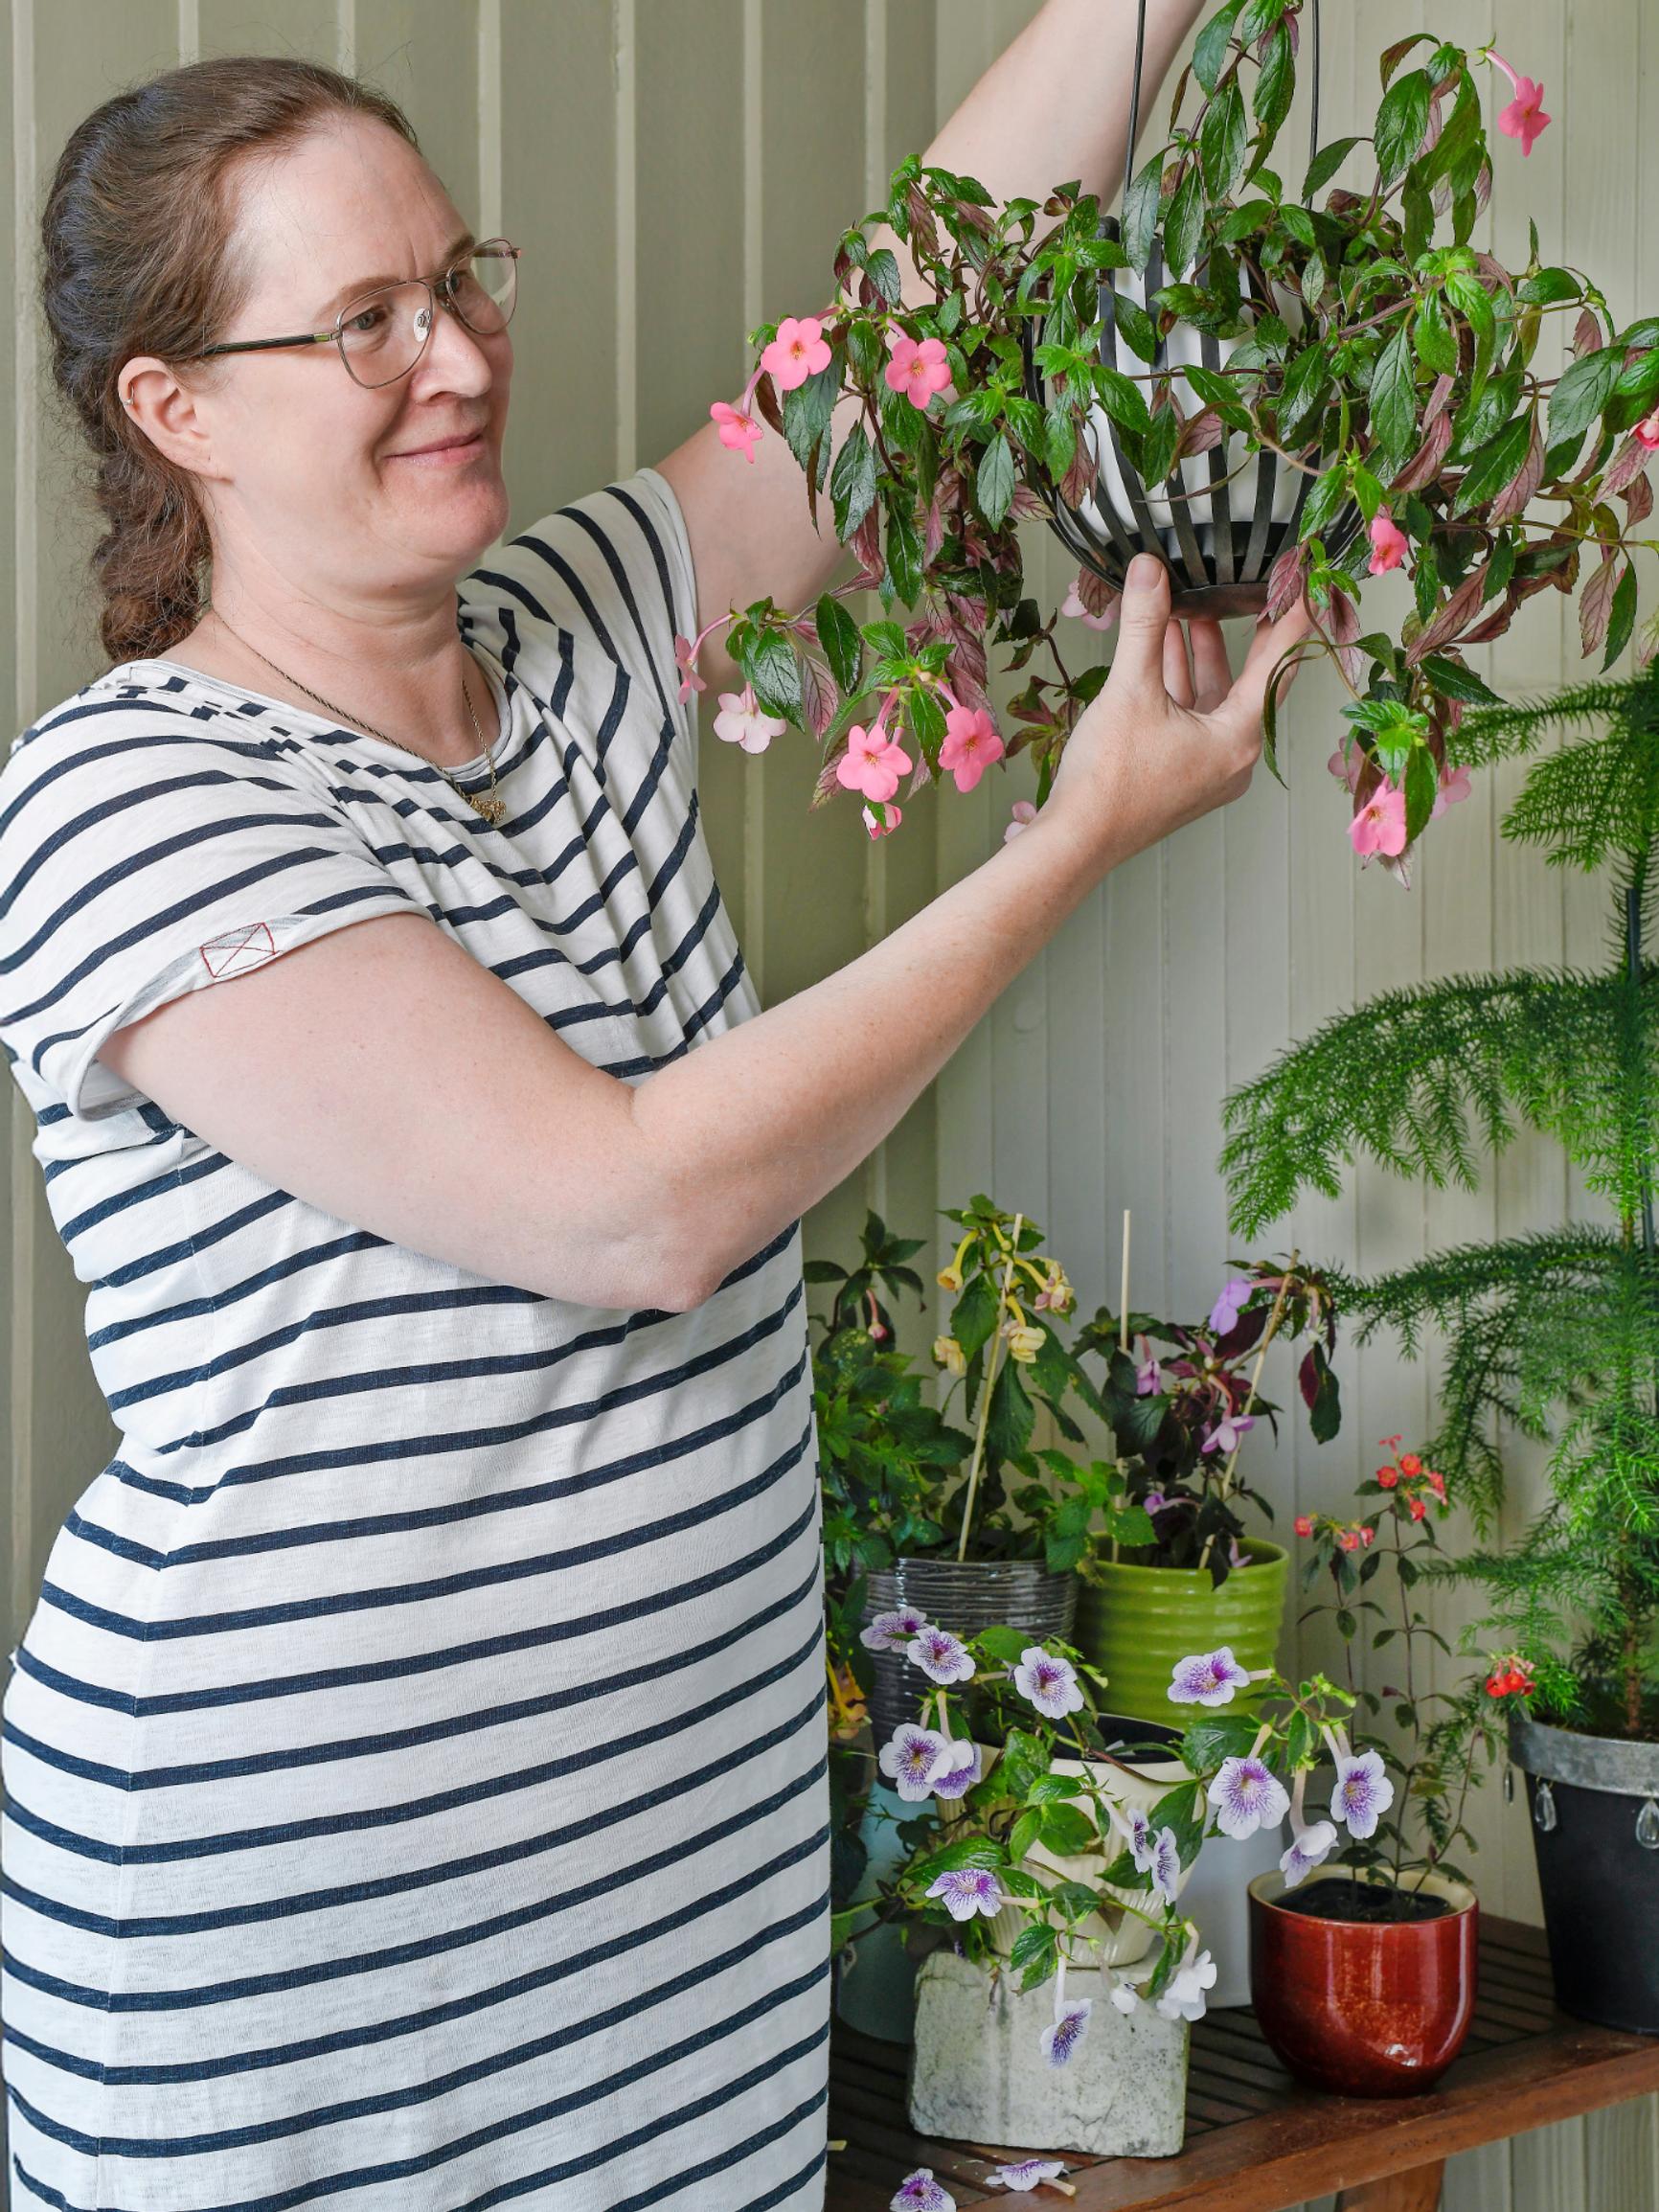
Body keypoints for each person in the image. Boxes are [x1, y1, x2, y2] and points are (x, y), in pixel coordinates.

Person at [0, 11, 1304, 2209]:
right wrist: (1064, 842)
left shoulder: (577, 635)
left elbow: (908, 324)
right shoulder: (129, 798)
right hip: (299, 1968)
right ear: (178, 410)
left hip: (659, 1926)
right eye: (364, 323)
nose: (458, 354)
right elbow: (630, 1211)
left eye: (458, 278)